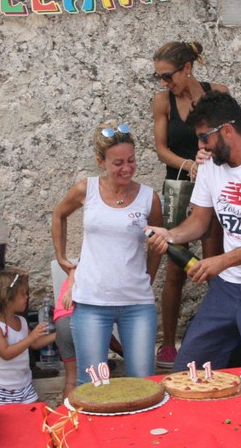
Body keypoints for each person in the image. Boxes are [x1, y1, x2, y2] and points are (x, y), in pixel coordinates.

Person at [146, 91, 241, 370]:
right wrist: (171, 235)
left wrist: (222, 261)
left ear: (227, 130)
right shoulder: (210, 164)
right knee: (188, 370)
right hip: (228, 286)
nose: (200, 146)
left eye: (204, 137)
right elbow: (199, 220)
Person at [51, 123, 163, 384]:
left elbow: (157, 242)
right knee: (92, 384)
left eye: (131, 160)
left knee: (142, 383)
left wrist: (149, 276)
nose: (127, 168)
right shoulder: (86, 189)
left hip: (137, 302)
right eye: (118, 163)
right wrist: (62, 258)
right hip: (91, 301)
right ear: (101, 161)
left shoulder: (149, 198)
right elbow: (59, 214)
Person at [151, 41, 229, 368]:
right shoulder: (162, 101)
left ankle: (219, 336)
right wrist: (189, 164)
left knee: (213, 261)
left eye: (168, 76)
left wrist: (208, 161)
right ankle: (168, 343)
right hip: (179, 185)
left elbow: (229, 136)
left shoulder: (218, 93)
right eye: (158, 77)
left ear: (187, 68)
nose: (164, 83)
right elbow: (161, 149)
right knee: (175, 265)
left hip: (213, 185)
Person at [0, 271, 54, 404]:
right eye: (22, 294)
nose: (27, 297)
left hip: (23, 385)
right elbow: (6, 353)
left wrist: (58, 335)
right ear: (7, 299)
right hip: (0, 387)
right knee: (5, 417)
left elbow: (35, 344)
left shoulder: (21, 321)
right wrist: (31, 337)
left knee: (40, 413)